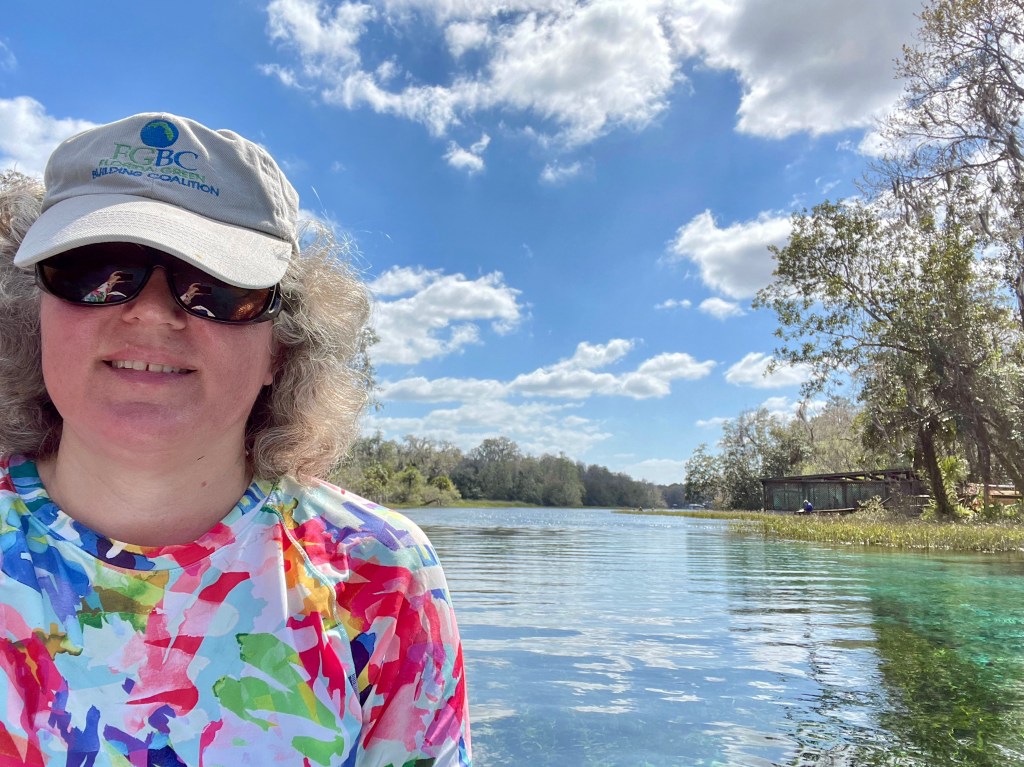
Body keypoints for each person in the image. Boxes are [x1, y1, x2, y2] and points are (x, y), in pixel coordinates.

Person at [0, 113, 471, 765]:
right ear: (32, 312)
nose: (151, 311)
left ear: (281, 347)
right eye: (97, 269)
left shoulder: (383, 579)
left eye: (216, 286)